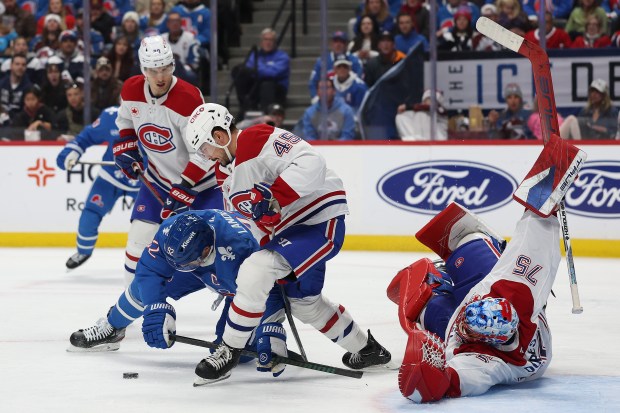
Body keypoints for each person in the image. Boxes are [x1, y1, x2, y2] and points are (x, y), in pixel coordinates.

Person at [183, 103, 394, 383]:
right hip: (289, 235)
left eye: (204, 148)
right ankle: (368, 350)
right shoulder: (225, 175)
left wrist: (275, 197)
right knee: (303, 302)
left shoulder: (256, 138)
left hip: (318, 221)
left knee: (256, 269)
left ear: (219, 137)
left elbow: (312, 163)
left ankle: (229, 349)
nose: (204, 156)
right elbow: (254, 221)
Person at [393, 134, 587, 402]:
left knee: (423, 307)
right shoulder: (518, 292)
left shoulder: (486, 362)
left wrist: (420, 382)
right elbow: (535, 226)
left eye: (468, 328)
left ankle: (441, 288)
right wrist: (556, 169)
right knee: (469, 240)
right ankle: (484, 248)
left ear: (486, 341)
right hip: (521, 316)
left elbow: (447, 384)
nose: (463, 324)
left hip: (502, 345)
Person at [113, 34, 221, 285]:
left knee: (220, 251)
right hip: (158, 182)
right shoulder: (130, 88)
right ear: (143, 70)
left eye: (165, 68)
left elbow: (205, 151)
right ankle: (131, 309)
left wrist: (184, 187)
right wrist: (126, 148)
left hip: (203, 187)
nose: (160, 77)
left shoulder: (189, 97)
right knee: (137, 246)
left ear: (172, 65)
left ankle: (248, 307)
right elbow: (126, 121)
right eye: (153, 70)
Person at [56, 106, 140, 269]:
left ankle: (156, 259)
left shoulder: (158, 119)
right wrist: (72, 152)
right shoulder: (110, 116)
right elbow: (86, 136)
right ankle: (84, 251)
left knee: (149, 223)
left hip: (143, 181)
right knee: (90, 214)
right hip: (111, 177)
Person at [232, 28, 290, 115]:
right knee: (239, 70)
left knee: (267, 84)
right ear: (261, 42)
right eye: (265, 39)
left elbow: (272, 74)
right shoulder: (255, 54)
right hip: (257, 85)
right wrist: (265, 68)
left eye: (271, 40)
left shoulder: (283, 57)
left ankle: (267, 116)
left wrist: (257, 69)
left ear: (275, 42)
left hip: (276, 88)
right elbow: (249, 68)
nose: (268, 42)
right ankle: (245, 107)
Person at [309, 31, 363, 102]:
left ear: (346, 44)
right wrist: (315, 98)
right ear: (331, 44)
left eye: (341, 42)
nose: (338, 44)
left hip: (350, 99)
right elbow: (313, 82)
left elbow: (358, 83)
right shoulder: (322, 61)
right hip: (327, 101)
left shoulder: (355, 61)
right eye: (335, 41)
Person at [0, 53, 32, 117]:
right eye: (17, 64)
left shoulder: (29, 88)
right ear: (11, 66)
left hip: (17, 124)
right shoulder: (1, 83)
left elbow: (27, 112)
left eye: (23, 65)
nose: (20, 67)